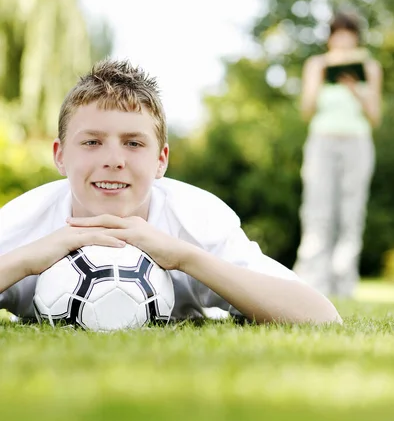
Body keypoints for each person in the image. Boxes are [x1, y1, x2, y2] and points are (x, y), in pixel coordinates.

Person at [0, 59, 341, 325]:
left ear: (161, 160)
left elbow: (321, 315)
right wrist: (29, 259)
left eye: (133, 143)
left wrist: (184, 258)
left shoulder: (197, 221)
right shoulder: (21, 224)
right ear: (60, 155)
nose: (114, 160)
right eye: (92, 142)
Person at [294, 12, 382, 298]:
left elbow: (375, 117)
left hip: (357, 143)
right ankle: (311, 283)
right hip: (322, 143)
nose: (343, 38)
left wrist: (355, 89)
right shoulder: (316, 64)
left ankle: (344, 286)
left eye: (349, 32)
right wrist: (321, 78)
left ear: (356, 36)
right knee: (317, 212)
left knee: (351, 213)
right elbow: (306, 110)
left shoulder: (369, 67)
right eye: (338, 32)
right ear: (330, 37)